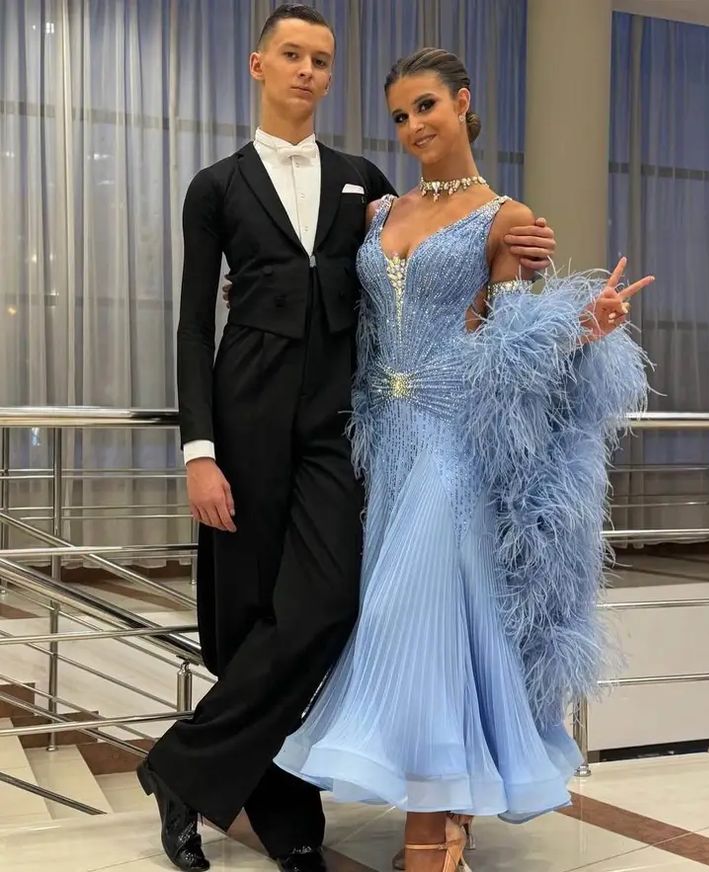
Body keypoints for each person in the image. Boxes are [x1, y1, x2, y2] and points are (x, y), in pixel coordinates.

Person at [136, 9, 558, 872]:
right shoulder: (214, 186)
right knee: (252, 614)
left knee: (328, 606)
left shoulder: (367, 185)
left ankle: (180, 765)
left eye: (322, 60)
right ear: (260, 65)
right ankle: (271, 796)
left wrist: (520, 267)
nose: (307, 70)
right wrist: (198, 450)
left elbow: (414, 280)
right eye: (292, 55)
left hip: (344, 426)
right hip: (245, 418)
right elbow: (190, 323)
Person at [274, 47, 654, 872]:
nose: (413, 127)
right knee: (433, 627)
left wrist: (583, 326)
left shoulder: (508, 217)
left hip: (458, 441)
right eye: (401, 115)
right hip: (387, 441)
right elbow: (342, 307)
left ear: (463, 104)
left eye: (426, 108)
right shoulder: (380, 214)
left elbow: (515, 348)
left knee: (416, 620)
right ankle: (447, 818)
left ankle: (429, 836)